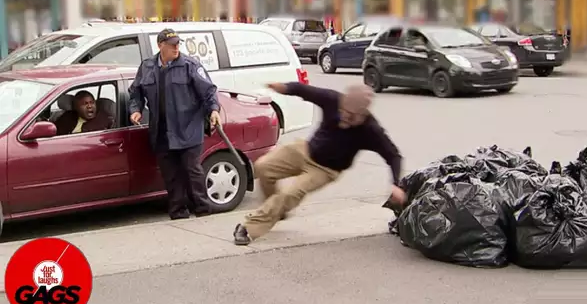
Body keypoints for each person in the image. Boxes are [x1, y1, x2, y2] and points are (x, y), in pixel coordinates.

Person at [233, 83, 407, 245]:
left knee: (290, 193)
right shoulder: (332, 99)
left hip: (325, 170)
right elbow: (304, 90)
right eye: (343, 111)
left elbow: (394, 156)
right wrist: (283, 87)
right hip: (304, 150)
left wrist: (396, 184)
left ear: (363, 114)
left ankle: (249, 228)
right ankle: (278, 211)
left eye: (351, 117)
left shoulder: (371, 131)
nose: (344, 117)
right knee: (263, 167)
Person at [128, 28, 222, 220]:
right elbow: (135, 93)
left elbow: (209, 91)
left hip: (187, 128)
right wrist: (135, 110)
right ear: (160, 45)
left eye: (178, 44)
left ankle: (203, 210)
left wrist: (214, 110)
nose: (176, 48)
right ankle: (178, 212)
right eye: (172, 45)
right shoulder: (146, 67)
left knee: (192, 171)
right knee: (171, 175)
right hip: (162, 131)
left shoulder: (190, 65)